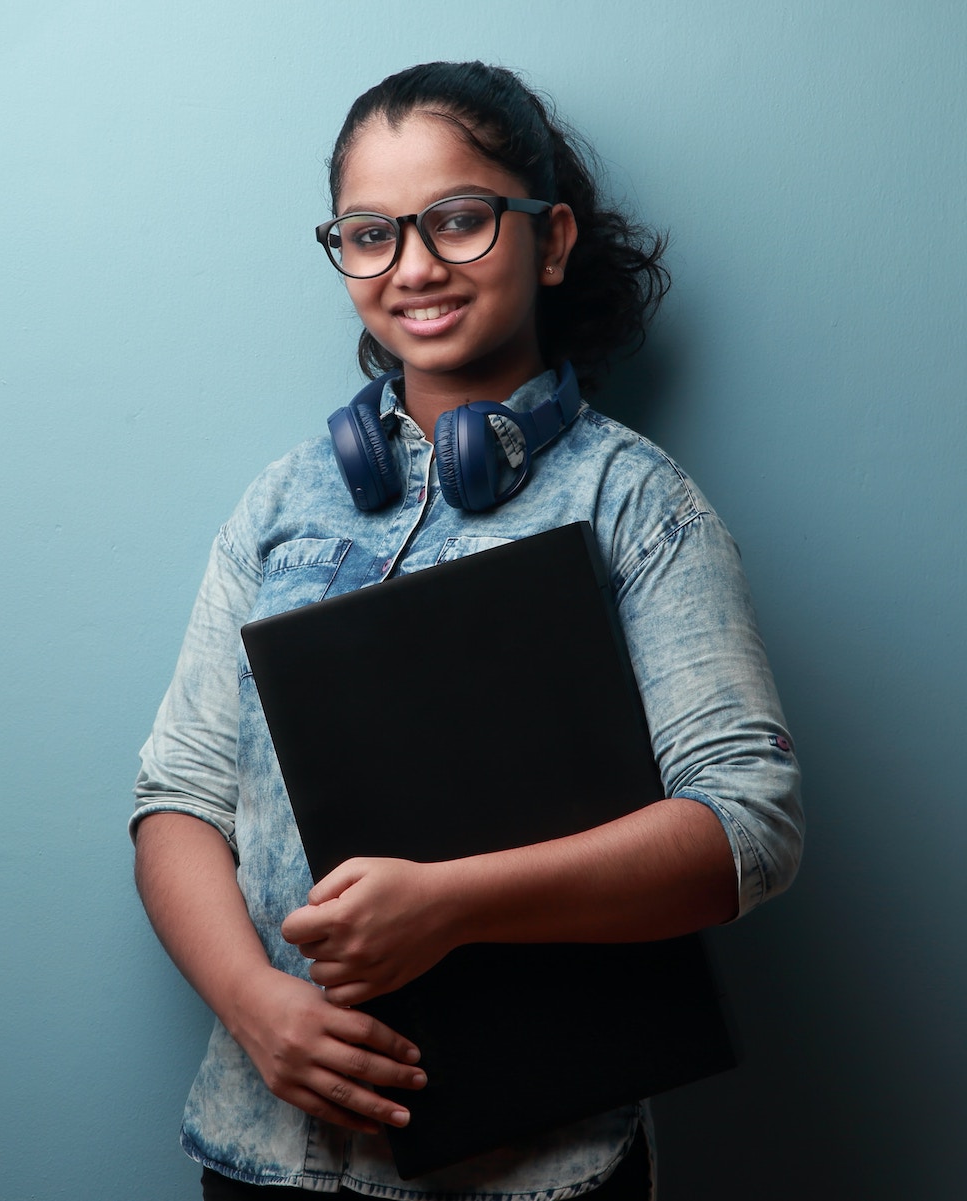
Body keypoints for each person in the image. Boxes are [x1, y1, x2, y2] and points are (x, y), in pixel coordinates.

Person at [131, 60, 803, 1201]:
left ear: (549, 242)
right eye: (370, 233)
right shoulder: (279, 502)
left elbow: (748, 824)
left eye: (458, 219)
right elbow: (177, 800)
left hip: (534, 1168)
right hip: (263, 1146)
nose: (415, 267)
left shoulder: (638, 503)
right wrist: (255, 1004)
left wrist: (449, 905)